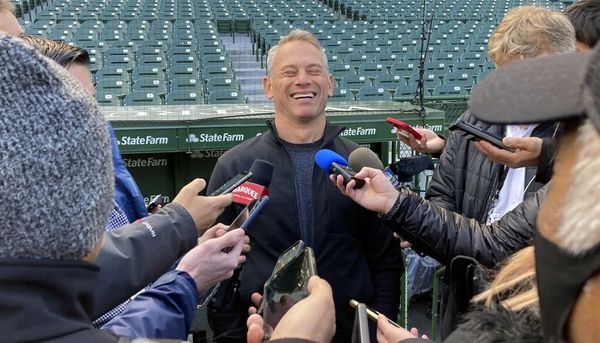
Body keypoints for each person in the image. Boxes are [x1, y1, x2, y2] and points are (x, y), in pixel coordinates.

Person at [0, 33, 244, 342]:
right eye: (78, 107)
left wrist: (188, 265)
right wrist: (186, 277)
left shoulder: (86, 190)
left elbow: (126, 287)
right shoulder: (42, 214)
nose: (93, 121)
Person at [206, 29, 403, 342]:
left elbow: (386, 262)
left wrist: (377, 327)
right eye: (289, 72)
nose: (303, 80)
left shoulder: (361, 166)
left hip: (350, 332)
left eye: (314, 71)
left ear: (330, 84)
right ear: (268, 87)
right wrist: (233, 332)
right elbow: (216, 266)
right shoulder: (235, 166)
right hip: (263, 334)